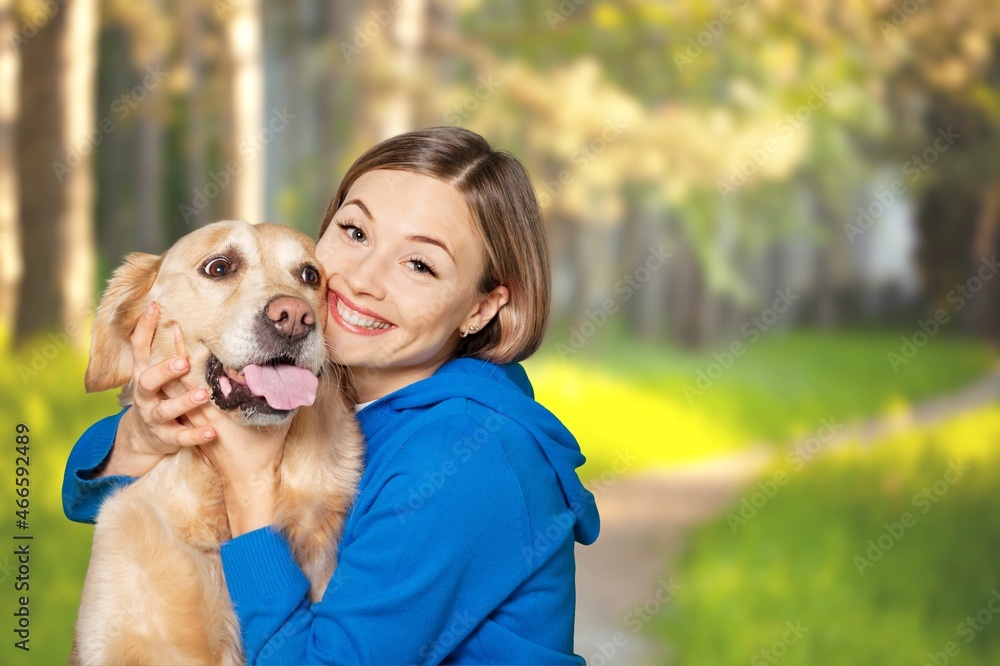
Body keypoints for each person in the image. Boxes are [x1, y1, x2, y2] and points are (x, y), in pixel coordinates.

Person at [63, 126, 600, 664]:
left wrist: (249, 480)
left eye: (420, 264)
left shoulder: (467, 455)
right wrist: (140, 434)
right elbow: (83, 498)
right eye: (355, 232)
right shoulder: (332, 385)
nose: (362, 279)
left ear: (481, 308)